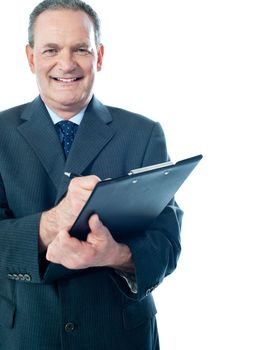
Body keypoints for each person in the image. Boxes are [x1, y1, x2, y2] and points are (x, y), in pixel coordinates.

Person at [0, 1, 183, 349]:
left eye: (80, 49)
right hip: (25, 336)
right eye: (51, 49)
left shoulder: (143, 133)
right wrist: (54, 222)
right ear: (30, 57)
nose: (66, 64)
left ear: (98, 56)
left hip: (119, 336)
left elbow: (168, 244)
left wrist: (114, 254)